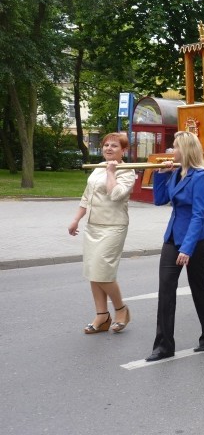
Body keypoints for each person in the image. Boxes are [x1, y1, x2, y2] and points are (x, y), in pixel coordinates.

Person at [145, 131, 204, 362]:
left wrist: (187, 248)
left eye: (175, 147)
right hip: (172, 238)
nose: (171, 151)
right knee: (166, 290)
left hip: (195, 241)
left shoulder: (200, 177)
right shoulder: (176, 173)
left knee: (198, 288)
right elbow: (159, 200)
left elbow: (198, 215)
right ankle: (164, 345)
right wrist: (161, 174)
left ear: (186, 150)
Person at [69, 133, 136, 334]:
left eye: (114, 146)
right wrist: (76, 219)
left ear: (123, 150)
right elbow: (87, 195)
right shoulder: (98, 167)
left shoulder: (127, 171)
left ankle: (121, 310)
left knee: (104, 272)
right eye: (106, 145)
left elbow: (115, 195)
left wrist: (111, 172)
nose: (108, 148)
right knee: (93, 272)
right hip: (93, 226)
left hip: (113, 227)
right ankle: (102, 315)